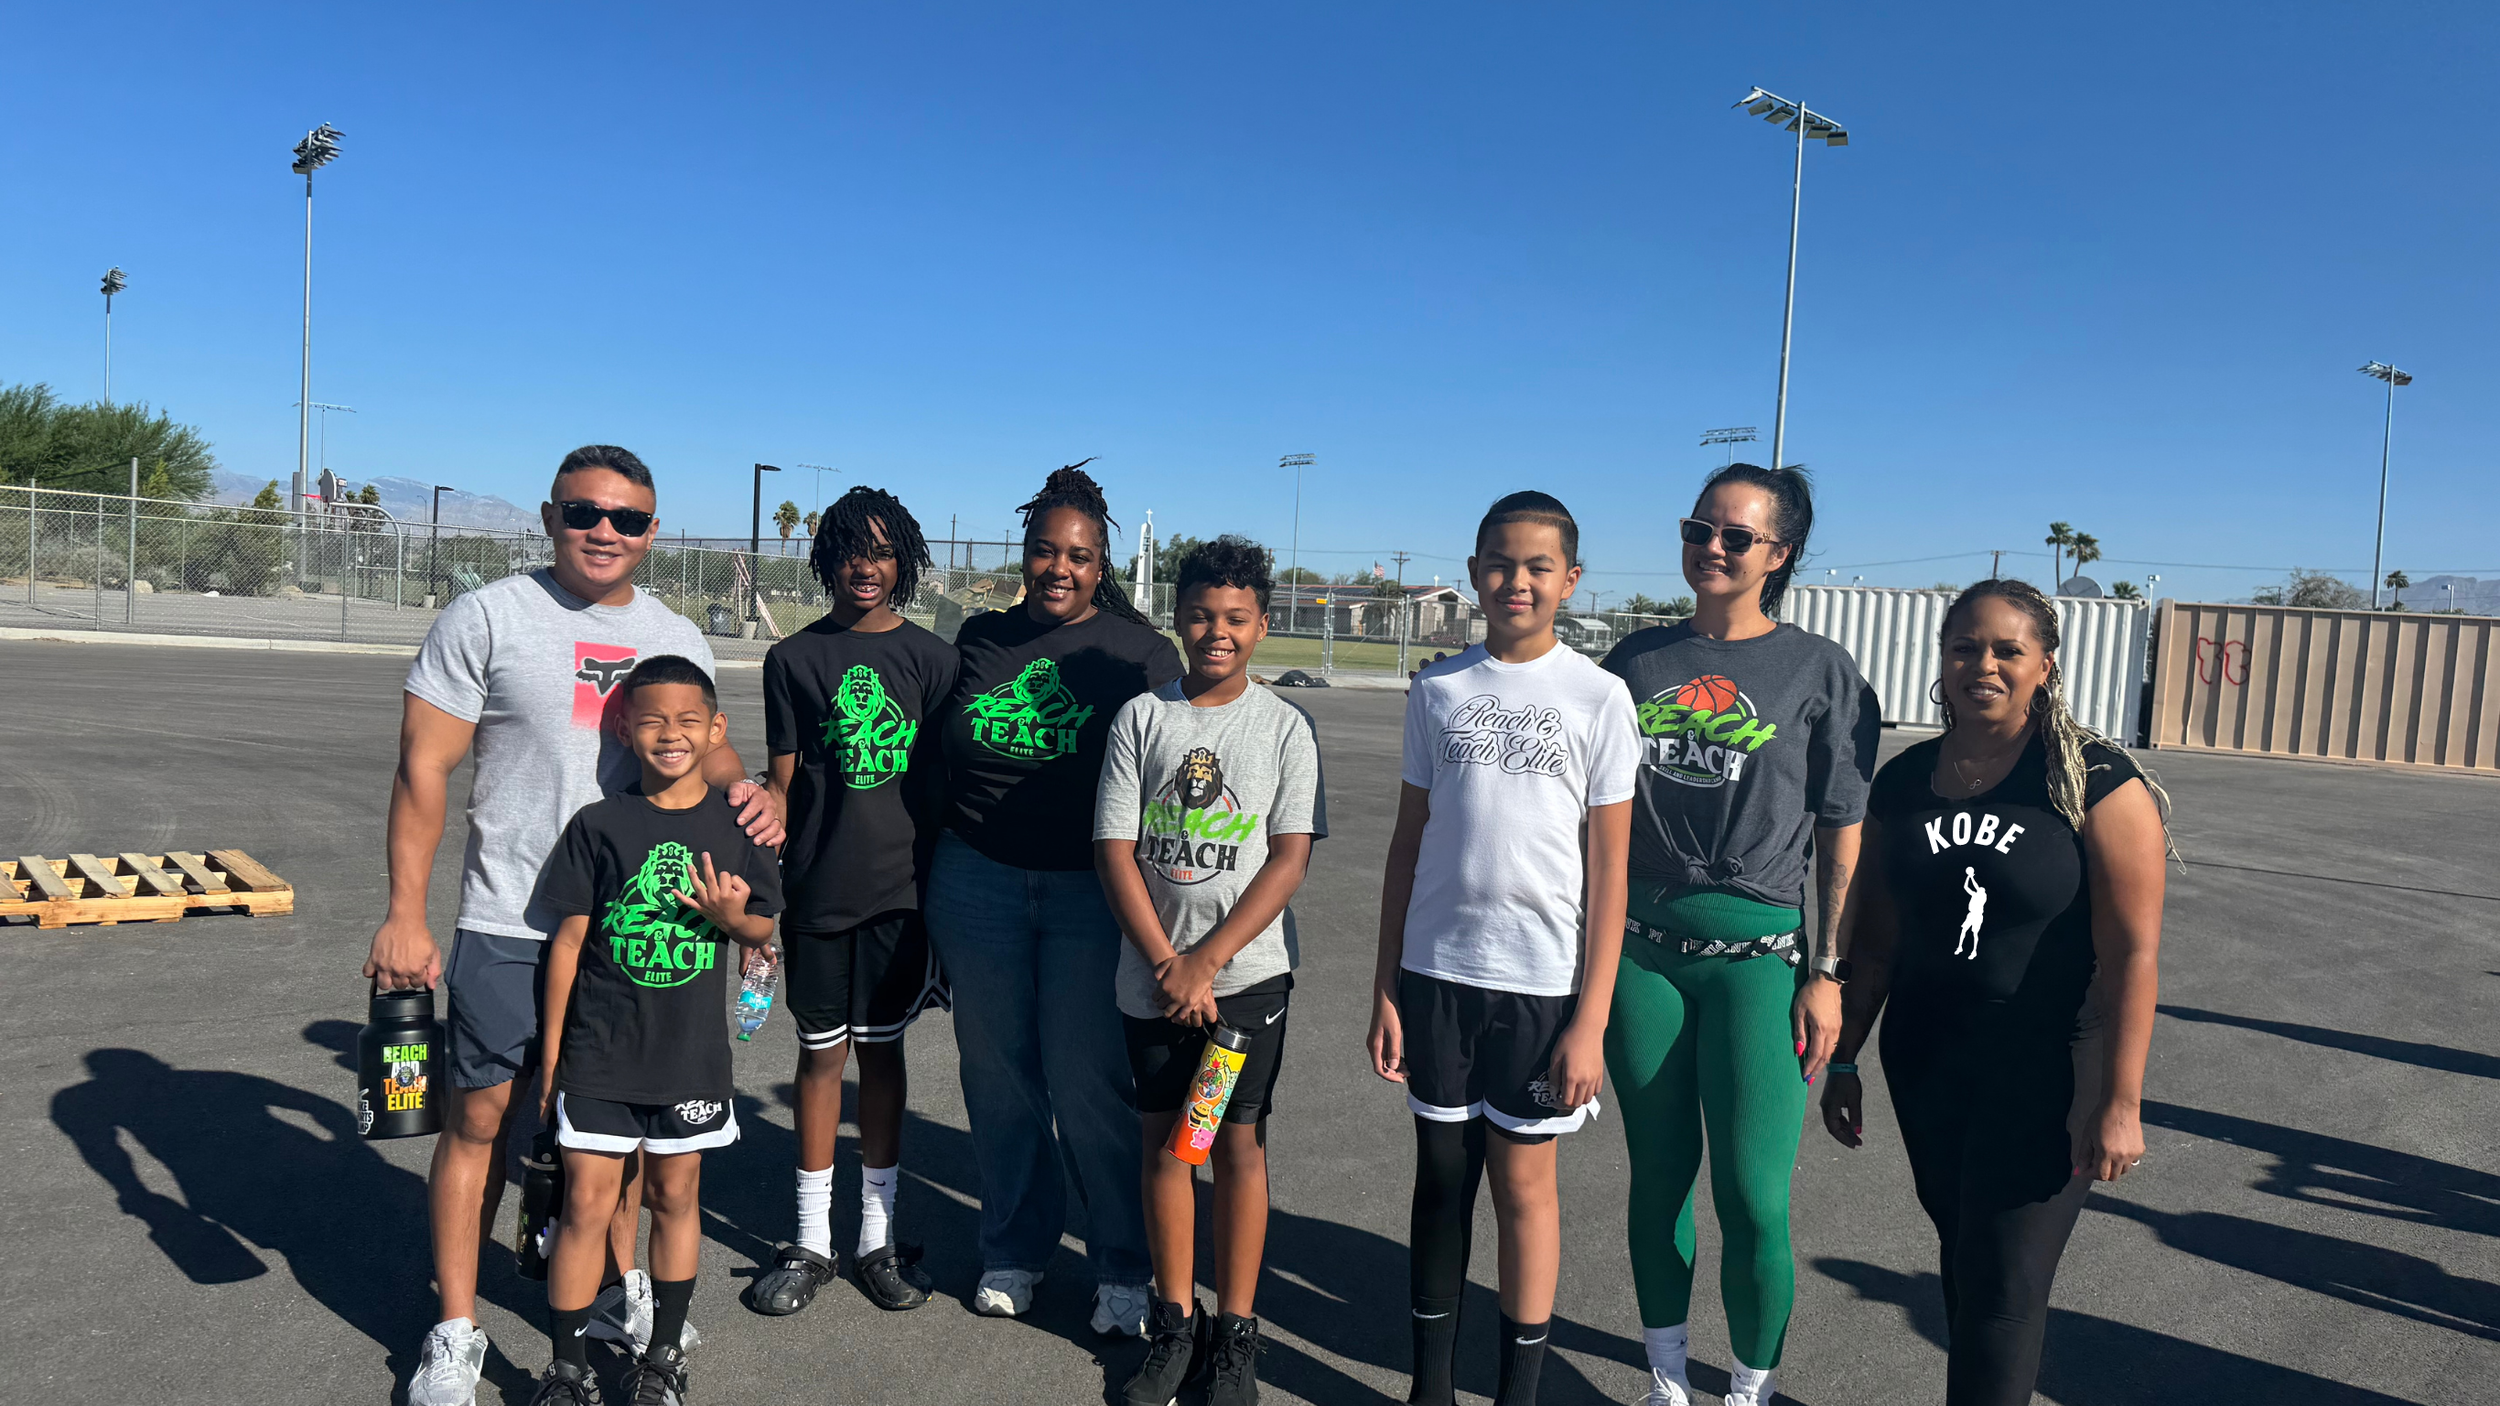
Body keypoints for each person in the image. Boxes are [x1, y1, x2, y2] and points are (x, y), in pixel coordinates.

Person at [371, 446, 781, 1406]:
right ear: (551, 516)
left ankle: (614, 1292)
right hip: (511, 917)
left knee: (624, 1144)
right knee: (479, 1123)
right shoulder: (489, 617)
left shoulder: (673, 630)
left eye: (629, 519)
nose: (606, 531)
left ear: (651, 530)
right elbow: (423, 767)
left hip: (637, 933)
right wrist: (404, 914)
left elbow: (703, 752)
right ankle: (458, 1330)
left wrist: (751, 791)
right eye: (585, 512)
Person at [1819, 579, 2169, 1406]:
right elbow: (1875, 944)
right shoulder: (1902, 785)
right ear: (1942, 660)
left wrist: (2120, 1098)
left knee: (2005, 1283)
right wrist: (1847, 1062)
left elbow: (2134, 954)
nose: (1984, 664)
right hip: (1929, 1060)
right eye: (1965, 648)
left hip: (2047, 1066)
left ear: (2044, 665)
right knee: (1965, 1258)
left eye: (2007, 650)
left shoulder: (2095, 782)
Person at [1593, 463, 1878, 1406]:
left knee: (1754, 1200)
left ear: (1779, 554)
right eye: (1698, 529)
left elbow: (1843, 833)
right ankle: (1667, 1379)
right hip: (1642, 955)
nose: (1710, 548)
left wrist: (1827, 970)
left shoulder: (1820, 672)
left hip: (1762, 962)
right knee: (1659, 1181)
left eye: (1736, 536)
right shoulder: (1632, 663)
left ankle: (1748, 1389)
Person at [1368, 491, 1638, 1406]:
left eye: (1536, 566)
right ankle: (1431, 1387)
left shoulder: (1599, 698)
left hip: (1540, 990)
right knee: (1440, 1185)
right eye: (1498, 563)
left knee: (1525, 1189)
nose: (1515, 581)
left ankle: (1518, 1390)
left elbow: (1610, 874)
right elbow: (1407, 847)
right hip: (1437, 975)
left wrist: (1590, 1020)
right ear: (1475, 569)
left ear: (1569, 579)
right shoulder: (1438, 688)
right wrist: (1385, 989)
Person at [926, 462, 1183, 1334]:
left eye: (1078, 555)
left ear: (1101, 563)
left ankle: (1121, 1262)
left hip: (1090, 893)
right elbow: (925, 760)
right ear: (1025, 552)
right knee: (997, 1079)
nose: (1059, 568)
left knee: (1088, 1081)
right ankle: (1014, 1247)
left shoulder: (1138, 654)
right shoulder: (977, 639)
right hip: (977, 880)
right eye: (1044, 551)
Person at [1095, 536, 1326, 1406]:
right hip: (1153, 982)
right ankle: (1174, 1325)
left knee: (1233, 1147)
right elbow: (1115, 850)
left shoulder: (1282, 727)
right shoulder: (1143, 719)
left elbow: (1287, 858)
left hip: (1245, 986)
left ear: (1262, 626)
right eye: (1200, 615)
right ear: (1177, 618)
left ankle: (1236, 1334)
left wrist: (1208, 962)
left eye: (1235, 618)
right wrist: (1168, 962)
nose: (1216, 632)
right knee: (1165, 1149)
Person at [528, 655, 784, 1406]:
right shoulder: (600, 824)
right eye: (651, 720)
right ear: (625, 728)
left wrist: (729, 916)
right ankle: (568, 1371)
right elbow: (568, 945)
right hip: (599, 1056)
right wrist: (551, 1060)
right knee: (586, 1204)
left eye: (686, 721)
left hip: (690, 1059)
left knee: (676, 1196)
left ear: (715, 730)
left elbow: (760, 929)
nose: (669, 735)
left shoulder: (738, 829)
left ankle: (662, 1358)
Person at [748, 486, 958, 1316]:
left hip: (901, 898)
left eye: (879, 550)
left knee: (884, 1056)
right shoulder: (793, 660)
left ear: (901, 560)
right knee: (818, 1058)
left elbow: (949, 785)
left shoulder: (934, 661)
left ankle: (876, 1237)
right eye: (847, 550)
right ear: (825, 560)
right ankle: (811, 1240)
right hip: (816, 894)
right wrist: (764, 903)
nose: (863, 565)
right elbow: (780, 787)